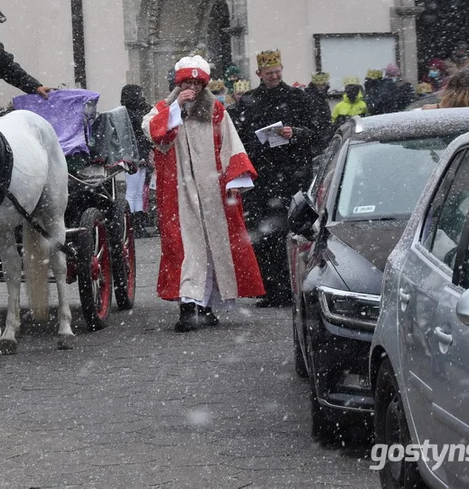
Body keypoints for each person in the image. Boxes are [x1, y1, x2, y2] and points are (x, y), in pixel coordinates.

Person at [143, 55, 264, 332]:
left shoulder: (216, 111)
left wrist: (236, 177)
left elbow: (231, 143)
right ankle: (187, 308)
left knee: (212, 248)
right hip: (179, 193)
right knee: (185, 248)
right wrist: (176, 108)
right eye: (187, 82)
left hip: (213, 193)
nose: (193, 89)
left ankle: (206, 307)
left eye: (198, 83)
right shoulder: (164, 109)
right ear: (178, 84)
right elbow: (152, 131)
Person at [231, 49, 326, 308]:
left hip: (293, 174)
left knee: (294, 230)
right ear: (259, 74)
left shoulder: (298, 98)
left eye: (276, 72)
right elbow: (239, 137)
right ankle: (271, 289)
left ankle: (297, 286)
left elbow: (318, 134)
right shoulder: (249, 101)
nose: (273, 76)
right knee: (264, 234)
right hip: (263, 176)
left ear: (281, 69)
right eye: (268, 73)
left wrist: (293, 133)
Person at [120, 84, 154, 234]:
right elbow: (134, 137)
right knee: (133, 190)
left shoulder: (132, 112)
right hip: (134, 154)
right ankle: (133, 224)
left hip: (139, 153)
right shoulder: (128, 114)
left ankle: (137, 223)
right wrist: (139, 155)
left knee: (139, 190)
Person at [304, 72, 333, 147]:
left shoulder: (319, 97)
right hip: (317, 140)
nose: (326, 86)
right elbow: (316, 121)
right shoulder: (312, 99)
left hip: (319, 138)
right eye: (323, 84)